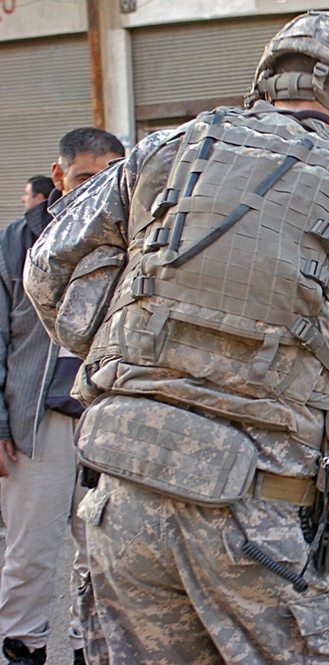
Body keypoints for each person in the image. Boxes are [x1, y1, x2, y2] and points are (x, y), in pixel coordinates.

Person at [23, 11, 329, 664]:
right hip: (254, 515)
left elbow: (48, 265)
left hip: (122, 494)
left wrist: (128, 350)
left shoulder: (164, 151)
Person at [0, 128, 124, 665]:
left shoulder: (137, 238)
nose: (98, 189)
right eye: (84, 178)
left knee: (100, 553)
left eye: (110, 176)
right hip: (38, 422)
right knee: (28, 553)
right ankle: (21, 648)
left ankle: (87, 649)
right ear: (59, 177)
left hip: (111, 421)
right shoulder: (19, 240)